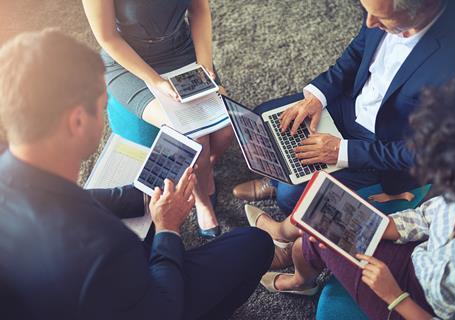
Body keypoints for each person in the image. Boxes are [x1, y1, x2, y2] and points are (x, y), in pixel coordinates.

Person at [0, 30, 273, 320]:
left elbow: (59, 199)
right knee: (254, 245)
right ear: (78, 121)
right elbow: (162, 309)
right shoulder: (106, 247)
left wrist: (139, 196)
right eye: (103, 106)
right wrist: (168, 228)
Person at [236, 0, 455, 268]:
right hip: (350, 103)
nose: (368, 24)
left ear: (423, 8)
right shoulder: (378, 11)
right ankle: (281, 172)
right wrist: (317, 96)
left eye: (380, 18)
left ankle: (283, 187)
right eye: (367, 12)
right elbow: (357, 52)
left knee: (289, 195)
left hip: (382, 145)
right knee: (260, 119)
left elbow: (426, 153)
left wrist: (341, 152)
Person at [261, 65, 455, 319]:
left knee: (317, 233)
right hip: (417, 260)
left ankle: (301, 278)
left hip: (414, 303)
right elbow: (425, 218)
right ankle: (299, 266)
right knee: (324, 217)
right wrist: (375, 224)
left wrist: (395, 296)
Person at [82, 0, 234, 238]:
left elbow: (200, 10)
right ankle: (203, 201)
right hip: (130, 62)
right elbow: (108, 38)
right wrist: (156, 81)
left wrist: (203, 69)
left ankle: (203, 170)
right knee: (193, 134)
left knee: (227, 129)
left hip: (180, 49)